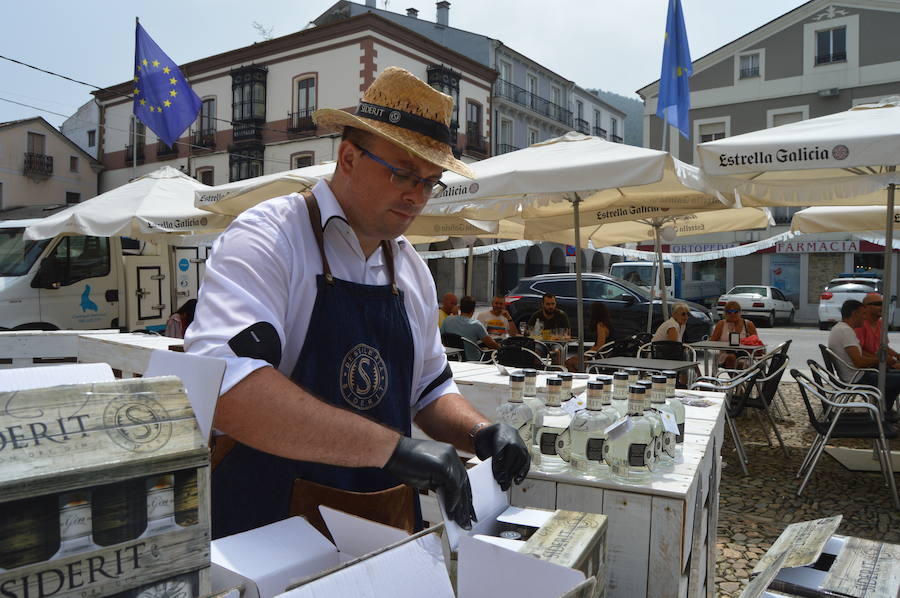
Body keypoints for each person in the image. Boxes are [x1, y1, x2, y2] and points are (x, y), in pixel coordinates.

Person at [186, 67, 529, 539]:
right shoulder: (269, 236)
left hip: (381, 522)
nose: (416, 195)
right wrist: (393, 449)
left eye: (431, 182)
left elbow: (429, 390)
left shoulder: (410, 270)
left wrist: (479, 431)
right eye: (404, 173)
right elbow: (229, 391)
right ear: (348, 157)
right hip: (269, 530)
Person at [827, 299, 900, 416]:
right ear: (854, 314)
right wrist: (882, 359)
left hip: (858, 375)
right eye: (863, 314)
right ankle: (884, 411)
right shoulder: (845, 331)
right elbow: (859, 362)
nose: (865, 318)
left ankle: (884, 409)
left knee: (894, 376)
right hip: (858, 378)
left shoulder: (842, 329)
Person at [442, 296, 500, 361]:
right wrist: (500, 348)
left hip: (452, 358)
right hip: (474, 360)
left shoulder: (447, 320)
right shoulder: (476, 325)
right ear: (473, 310)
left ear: (460, 308)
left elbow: (441, 338)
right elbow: (491, 344)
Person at [710, 301, 758, 369]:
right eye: (729, 312)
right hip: (725, 353)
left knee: (740, 362)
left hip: (744, 354)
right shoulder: (721, 324)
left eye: (735, 311)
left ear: (740, 312)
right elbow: (712, 341)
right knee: (731, 357)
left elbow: (756, 341)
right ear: (725, 313)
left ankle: (735, 378)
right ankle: (735, 378)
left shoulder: (748, 324)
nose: (732, 314)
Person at [565, 302, 612, 372]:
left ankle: (577, 375)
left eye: (590, 311)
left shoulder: (601, 326)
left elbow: (599, 346)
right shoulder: (607, 323)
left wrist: (585, 354)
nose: (589, 313)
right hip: (603, 355)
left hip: (598, 357)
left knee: (568, 362)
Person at [855, 293, 900, 363]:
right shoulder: (860, 325)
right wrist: (882, 361)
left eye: (883, 304)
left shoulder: (881, 323)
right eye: (878, 304)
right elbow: (859, 351)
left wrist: (897, 356)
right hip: (870, 367)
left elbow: (884, 348)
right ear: (866, 307)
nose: (882, 307)